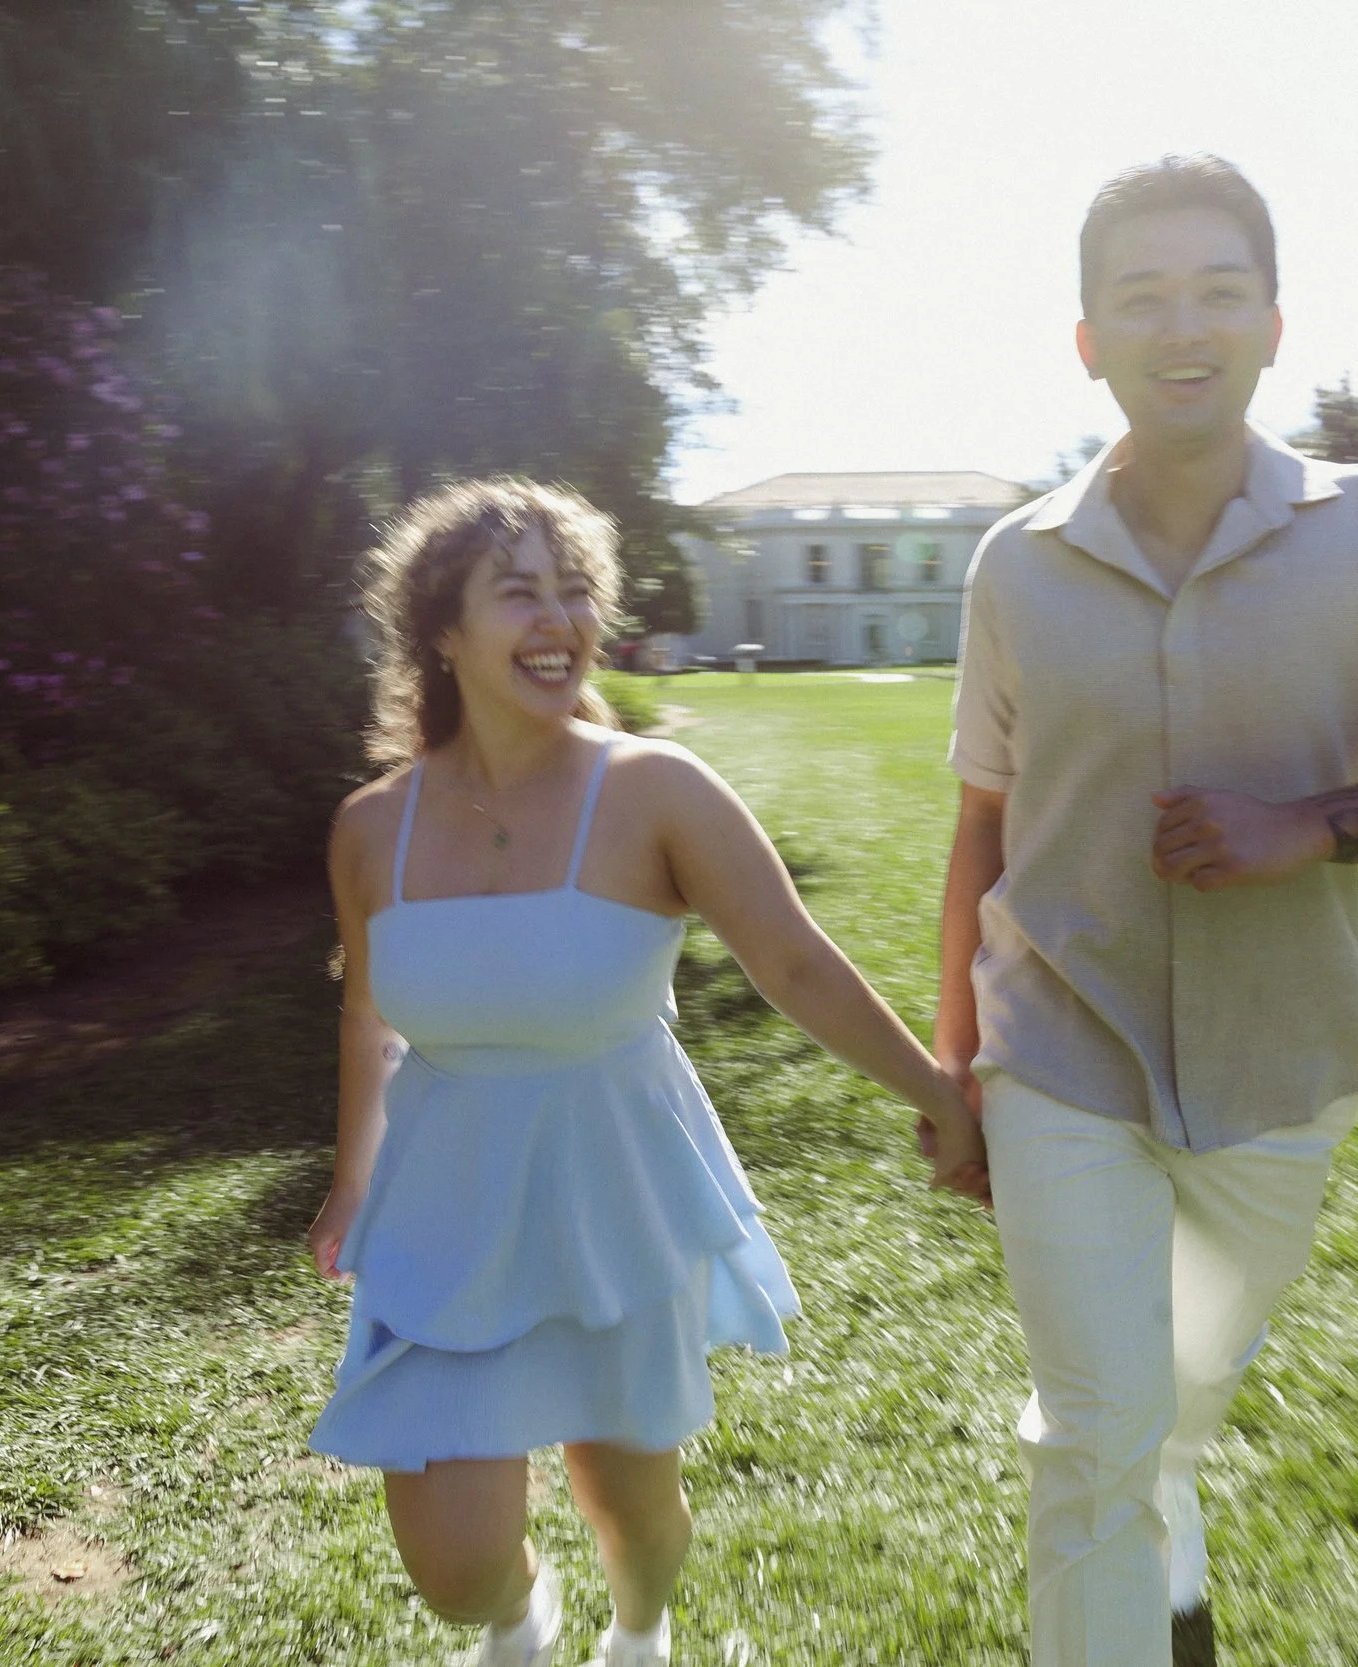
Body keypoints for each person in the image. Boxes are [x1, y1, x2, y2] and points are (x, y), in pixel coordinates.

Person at [936, 155, 1358, 1666]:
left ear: (1275, 323)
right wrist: (956, 1064)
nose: (1182, 324)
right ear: (1088, 337)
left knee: (1170, 1405)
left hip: (1281, 1067)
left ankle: (1167, 1486)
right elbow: (981, 826)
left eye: (1217, 290)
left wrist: (1308, 827)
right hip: (1057, 1048)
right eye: (1141, 297)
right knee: (1092, 1434)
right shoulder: (1018, 564)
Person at [305, 478, 986, 1667]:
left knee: (634, 1508)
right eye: (518, 593)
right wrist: (350, 1178)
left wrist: (939, 1093)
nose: (557, 616)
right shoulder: (372, 826)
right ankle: (517, 1615)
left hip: (613, 1188)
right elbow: (369, 1011)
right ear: (444, 634)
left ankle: (640, 1625)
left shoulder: (655, 791)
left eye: (575, 590)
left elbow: (794, 961)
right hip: (444, 1206)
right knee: (452, 1564)